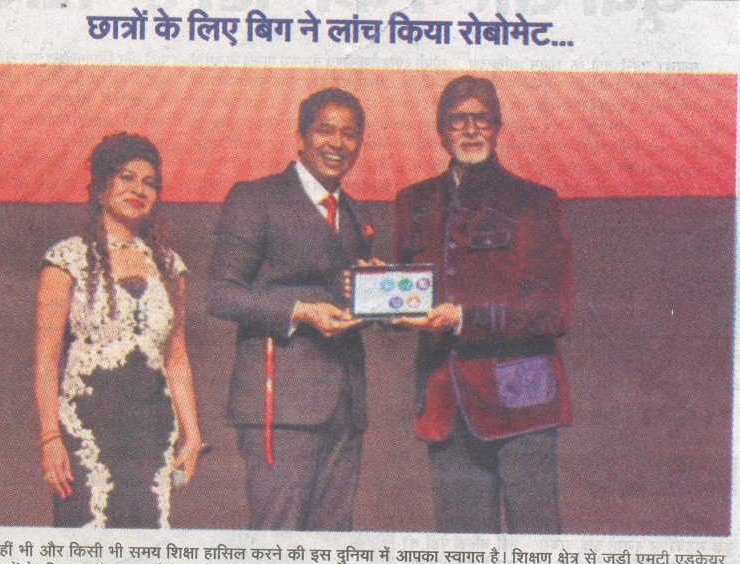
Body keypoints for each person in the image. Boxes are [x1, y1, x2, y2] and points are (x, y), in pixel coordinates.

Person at [394, 75, 574, 533]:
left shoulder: (533, 201)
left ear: (498, 127)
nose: (471, 129)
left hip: (523, 404)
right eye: (458, 120)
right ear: (440, 131)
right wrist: (380, 290)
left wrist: (465, 318)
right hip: (444, 405)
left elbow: (553, 310)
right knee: (464, 556)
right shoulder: (412, 201)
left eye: (482, 119)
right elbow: (405, 303)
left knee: (537, 551)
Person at [207, 88, 374, 531]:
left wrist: (375, 291)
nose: (337, 143)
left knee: (331, 549)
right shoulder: (256, 197)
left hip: (346, 405)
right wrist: (301, 310)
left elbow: (350, 299)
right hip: (281, 404)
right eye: (325, 131)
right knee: (278, 543)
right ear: (300, 138)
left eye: (350, 134)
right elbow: (221, 294)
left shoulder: (355, 214)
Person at [34, 133, 203, 528]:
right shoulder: (67, 258)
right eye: (127, 177)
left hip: (152, 430)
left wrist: (193, 435)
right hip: (85, 426)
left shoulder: (170, 266)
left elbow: (176, 358)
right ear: (101, 186)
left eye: (149, 182)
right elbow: (46, 358)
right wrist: (50, 437)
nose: (138, 190)